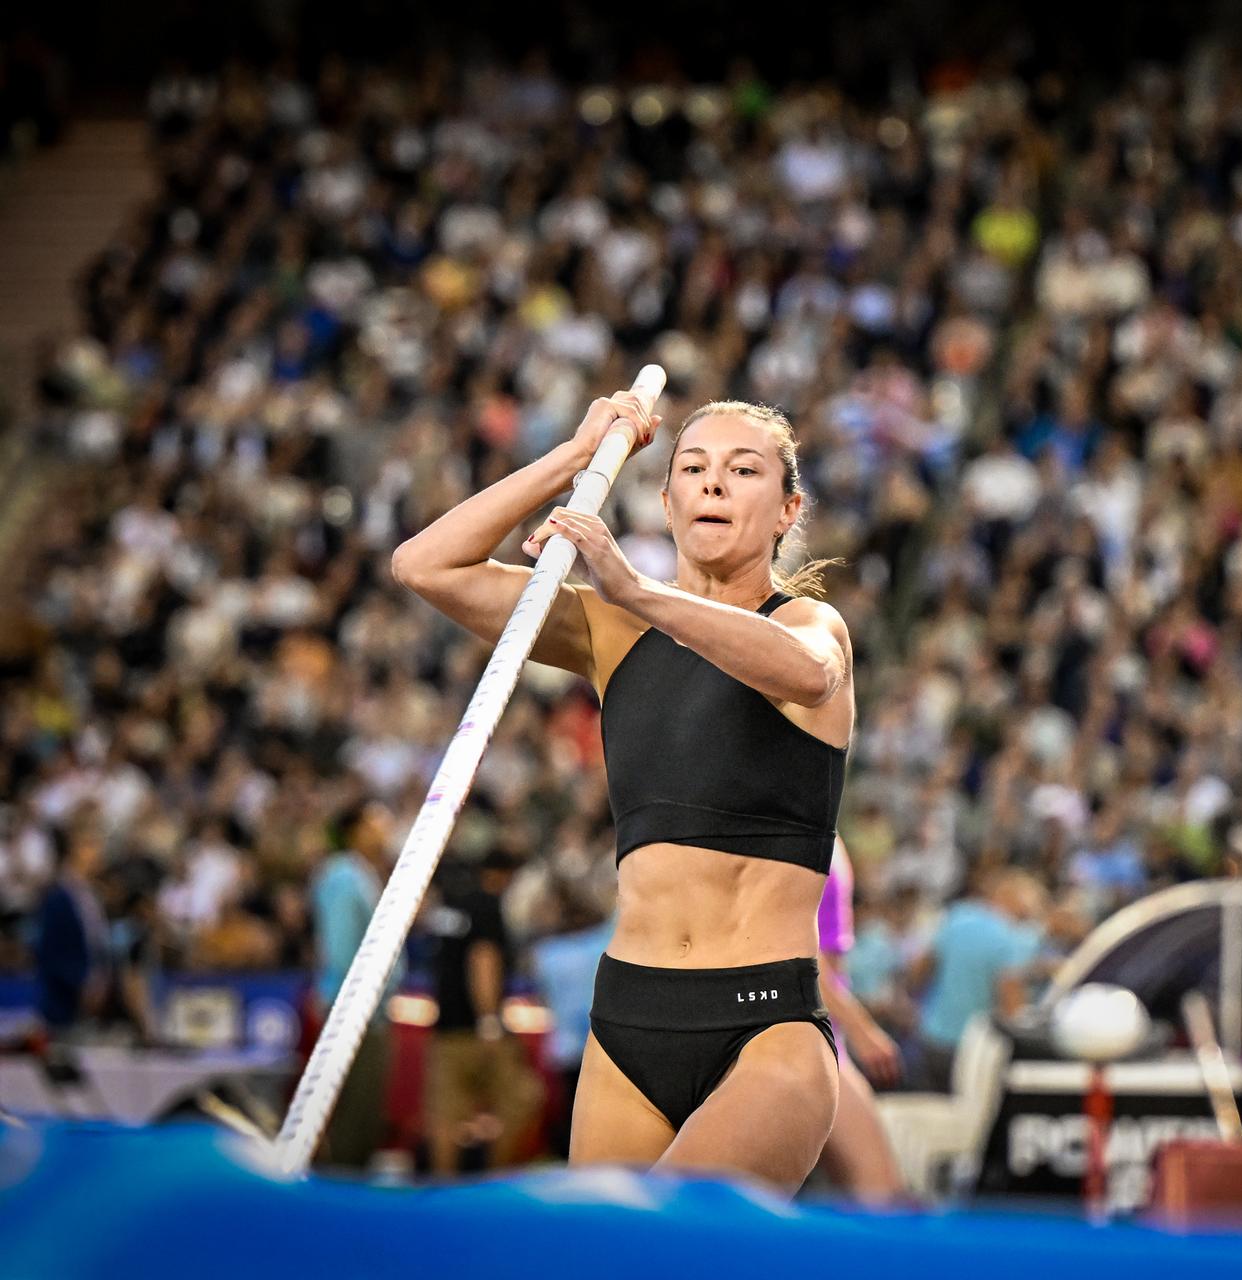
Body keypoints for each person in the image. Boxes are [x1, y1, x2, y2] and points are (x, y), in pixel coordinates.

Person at [393, 390, 853, 1193]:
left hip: (764, 1023)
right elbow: (424, 565)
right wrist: (577, 458)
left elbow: (809, 676)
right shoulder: (611, 633)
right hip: (628, 1020)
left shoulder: (808, 625)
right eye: (693, 468)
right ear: (667, 502)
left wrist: (636, 589)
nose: (714, 483)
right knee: (597, 1253)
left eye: (743, 470)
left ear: (788, 510)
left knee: (662, 1244)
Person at [424, 848, 543, 1173]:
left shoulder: (450, 906)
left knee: (447, 1113)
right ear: (503, 875)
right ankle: (493, 1177)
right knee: (522, 1097)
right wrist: (489, 1021)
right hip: (480, 1029)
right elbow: (483, 958)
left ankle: (443, 1189)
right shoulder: (488, 906)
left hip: (445, 1029)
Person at [815, 836, 908, 1205]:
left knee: (875, 1193)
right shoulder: (797, 831)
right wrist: (861, 1027)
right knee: (881, 1194)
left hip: (824, 1033)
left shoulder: (826, 834)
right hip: (810, 1034)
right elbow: (793, 949)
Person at [309, 798, 398, 1168]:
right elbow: (343, 946)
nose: (385, 828)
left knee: (366, 1110)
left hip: (367, 1007)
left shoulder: (361, 873)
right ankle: (341, 1188)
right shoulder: (344, 876)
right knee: (355, 1113)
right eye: (376, 821)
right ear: (355, 830)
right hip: (354, 1008)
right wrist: (357, 1001)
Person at [909, 867, 1045, 1091]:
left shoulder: (956, 916)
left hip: (933, 1037)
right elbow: (1013, 1007)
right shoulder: (1010, 938)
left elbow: (919, 970)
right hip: (974, 1048)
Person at [526, 880, 616, 1160]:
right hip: (602, 1041)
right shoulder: (600, 944)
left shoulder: (545, 954)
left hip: (563, 1046)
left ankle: (571, 1160)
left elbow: (542, 995)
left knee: (571, 1110)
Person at [32, 823, 109, 1038]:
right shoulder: (58, 895)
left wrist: (99, 979)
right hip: (64, 1002)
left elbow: (94, 943)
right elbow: (50, 950)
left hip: (91, 1000)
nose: (97, 852)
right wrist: (81, 982)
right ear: (74, 850)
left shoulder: (89, 894)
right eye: (90, 845)